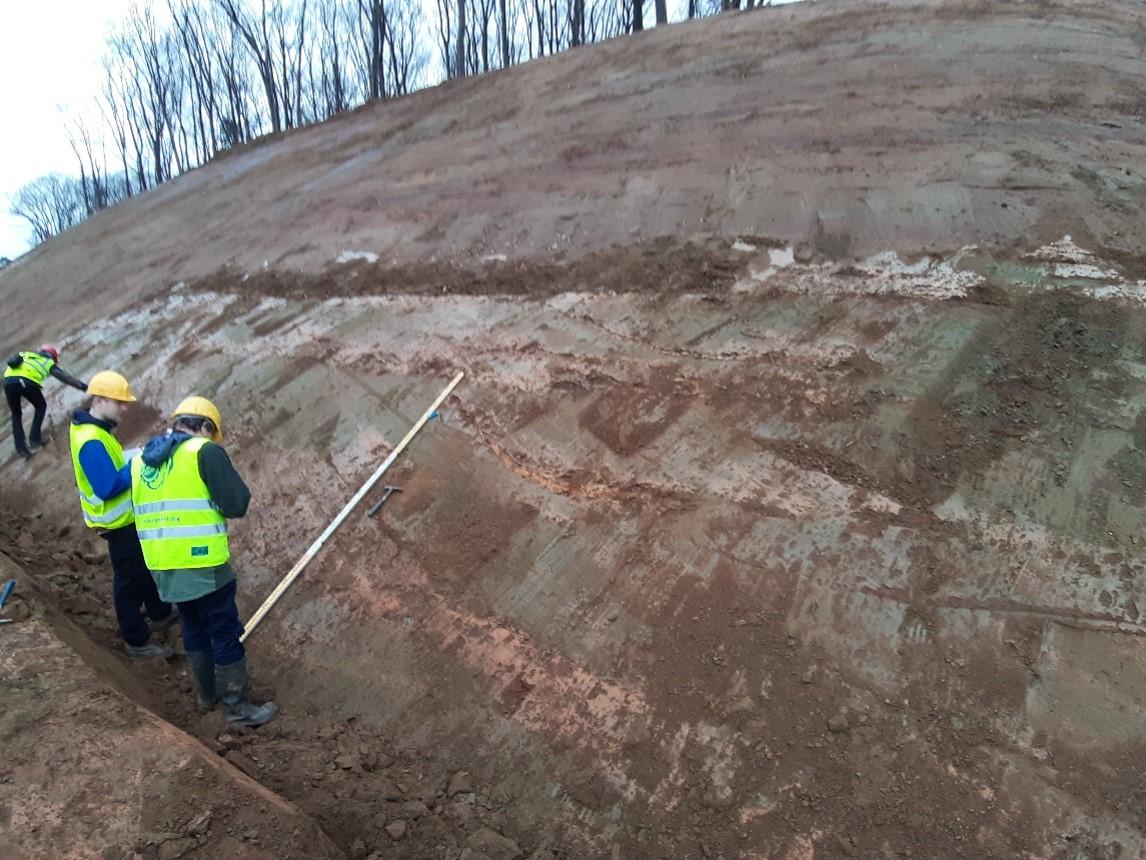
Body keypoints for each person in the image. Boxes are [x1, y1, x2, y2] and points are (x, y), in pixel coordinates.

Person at [131, 396, 278, 727]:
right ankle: (238, 710)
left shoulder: (141, 460)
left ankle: (206, 696)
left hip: (164, 567)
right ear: (207, 427)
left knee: (193, 626)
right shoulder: (203, 451)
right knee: (224, 632)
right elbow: (236, 503)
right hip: (204, 566)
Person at [69, 371, 176, 658]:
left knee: (142, 569)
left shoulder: (94, 430)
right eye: (119, 403)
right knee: (129, 581)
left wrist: (135, 455)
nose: (125, 408)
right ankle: (136, 640)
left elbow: (111, 467)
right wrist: (142, 463)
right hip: (118, 524)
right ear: (100, 399)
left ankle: (160, 612)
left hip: (126, 521)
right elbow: (107, 487)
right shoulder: (91, 439)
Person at [5, 344, 87, 459]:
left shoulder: (27, 355)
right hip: (25, 381)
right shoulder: (47, 362)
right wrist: (83, 386)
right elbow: (65, 377)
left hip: (8, 382)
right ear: (52, 357)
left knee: (16, 414)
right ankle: (35, 439)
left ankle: (21, 449)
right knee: (40, 406)